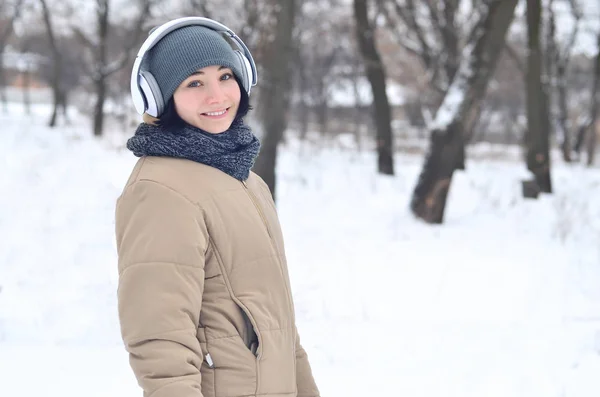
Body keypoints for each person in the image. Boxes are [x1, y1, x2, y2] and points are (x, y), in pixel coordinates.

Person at [115, 17, 320, 397]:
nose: (218, 95)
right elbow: (160, 340)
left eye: (226, 76)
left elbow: (280, 329)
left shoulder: (247, 180)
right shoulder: (160, 190)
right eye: (194, 83)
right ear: (159, 97)